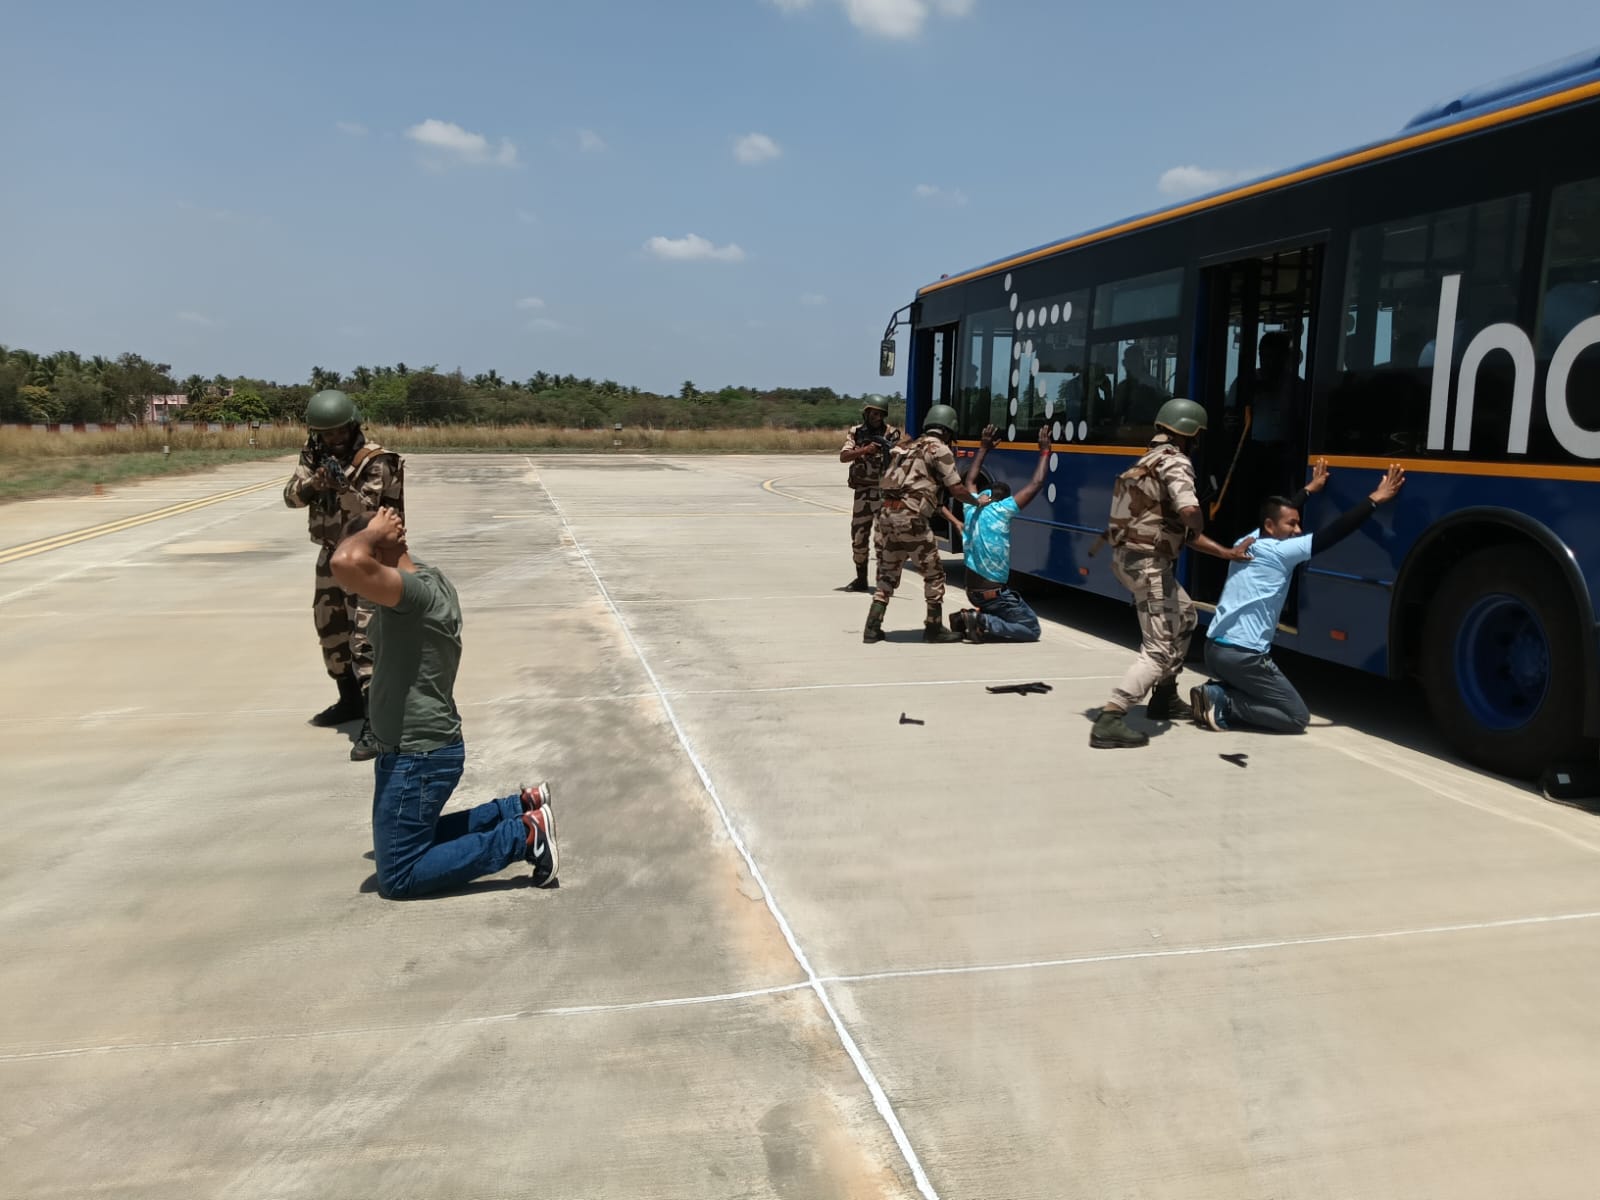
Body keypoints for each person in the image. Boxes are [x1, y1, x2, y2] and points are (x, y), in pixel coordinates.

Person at [329, 508, 559, 898]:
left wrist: (371, 534)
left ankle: (524, 836)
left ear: (376, 548)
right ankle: (518, 808)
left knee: (400, 873)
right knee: (418, 838)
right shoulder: (431, 581)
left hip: (416, 756)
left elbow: (344, 562)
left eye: (364, 545)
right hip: (425, 750)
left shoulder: (412, 596)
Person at [1090, 397, 1255, 749]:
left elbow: (1179, 532)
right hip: (1148, 565)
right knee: (1159, 649)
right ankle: (1111, 717)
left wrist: (1226, 553)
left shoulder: (1145, 462)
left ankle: (1164, 695)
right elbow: (1189, 512)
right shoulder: (1176, 461)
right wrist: (1199, 517)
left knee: (1185, 615)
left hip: (1131, 560)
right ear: (1189, 434)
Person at [1192, 462, 1406, 733]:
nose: (1297, 529)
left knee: (1268, 698)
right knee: (1295, 717)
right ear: (1270, 526)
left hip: (1214, 650)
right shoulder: (1283, 552)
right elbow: (1334, 533)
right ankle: (1225, 702)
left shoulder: (1247, 540)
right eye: (1292, 524)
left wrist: (1308, 490)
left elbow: (1279, 515)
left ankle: (1216, 692)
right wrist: (1375, 499)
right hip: (1243, 655)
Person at [283, 389, 405, 761]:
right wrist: (313, 484)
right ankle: (348, 701)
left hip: (369, 557)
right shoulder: (313, 456)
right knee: (331, 631)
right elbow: (290, 496)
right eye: (326, 434)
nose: (333, 440)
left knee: (366, 638)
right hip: (330, 555)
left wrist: (341, 488)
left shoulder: (376, 460)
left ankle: (376, 721)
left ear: (353, 425)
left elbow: (371, 512)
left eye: (339, 432)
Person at [863, 403, 990, 644]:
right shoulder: (939, 449)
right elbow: (956, 488)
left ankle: (872, 626)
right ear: (949, 428)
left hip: (887, 516)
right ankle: (934, 628)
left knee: (888, 572)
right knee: (934, 573)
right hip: (911, 518)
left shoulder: (906, 447)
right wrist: (976, 501)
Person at [940, 422, 1052, 642]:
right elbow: (1037, 482)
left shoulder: (971, 507)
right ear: (1005, 500)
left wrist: (983, 447)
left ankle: (970, 618)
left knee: (1004, 611)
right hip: (992, 594)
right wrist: (1045, 450)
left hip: (972, 592)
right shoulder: (1003, 510)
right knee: (1030, 627)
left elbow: (970, 480)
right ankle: (981, 621)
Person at [839, 397, 904, 592]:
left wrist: (891, 451)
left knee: (885, 540)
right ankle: (861, 578)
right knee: (858, 538)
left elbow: (901, 458)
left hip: (885, 493)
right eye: (872, 413)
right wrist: (865, 450)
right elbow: (844, 456)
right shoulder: (856, 432)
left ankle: (887, 581)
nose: (876, 417)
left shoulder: (891, 433)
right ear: (866, 414)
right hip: (862, 493)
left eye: (880, 414)